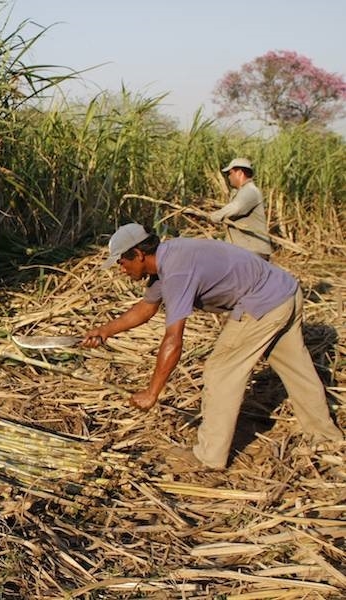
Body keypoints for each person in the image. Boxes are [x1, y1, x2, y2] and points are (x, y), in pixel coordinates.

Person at [81, 223, 342, 471]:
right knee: (294, 365)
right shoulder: (167, 260)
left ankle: (209, 456)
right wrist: (105, 331)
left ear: (138, 254)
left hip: (262, 302)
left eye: (121, 262)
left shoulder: (176, 271)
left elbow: (173, 339)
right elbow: (146, 308)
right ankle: (325, 436)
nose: (121, 269)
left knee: (221, 370)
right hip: (284, 290)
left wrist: (152, 392)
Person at [210, 157, 273, 259]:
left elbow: (236, 208)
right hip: (245, 251)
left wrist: (213, 216)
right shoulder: (242, 191)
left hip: (252, 252)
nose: (229, 177)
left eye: (230, 173)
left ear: (239, 173)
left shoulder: (250, 191)